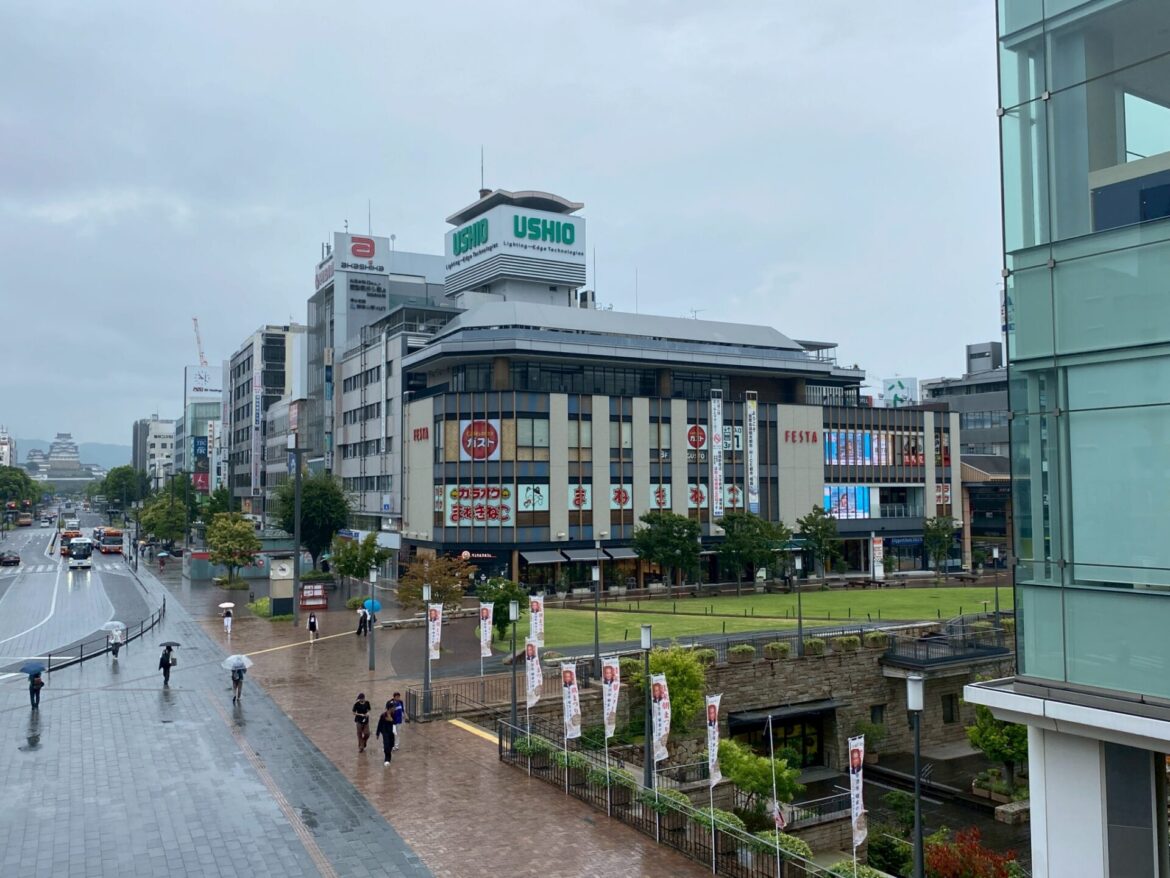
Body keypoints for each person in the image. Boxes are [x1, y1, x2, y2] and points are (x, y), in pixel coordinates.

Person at [375, 701, 396, 766]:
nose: (394, 708)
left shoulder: (393, 714)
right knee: (386, 745)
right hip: (385, 732)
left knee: (391, 745)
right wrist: (377, 733)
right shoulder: (383, 715)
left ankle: (388, 754)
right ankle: (387, 759)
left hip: (391, 732)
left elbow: (395, 723)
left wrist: (391, 720)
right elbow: (379, 724)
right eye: (393, 707)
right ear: (390, 708)